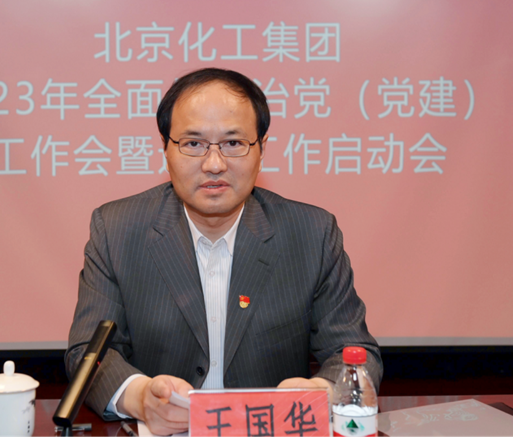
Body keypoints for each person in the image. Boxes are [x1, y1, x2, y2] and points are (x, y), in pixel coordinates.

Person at [66, 68, 382, 435]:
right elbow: (88, 354)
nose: (214, 164)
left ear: (261, 149)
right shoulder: (117, 230)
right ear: (165, 149)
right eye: (193, 143)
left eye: (233, 143)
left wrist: (322, 391)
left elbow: (354, 353)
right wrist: (140, 398)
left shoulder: (311, 233)